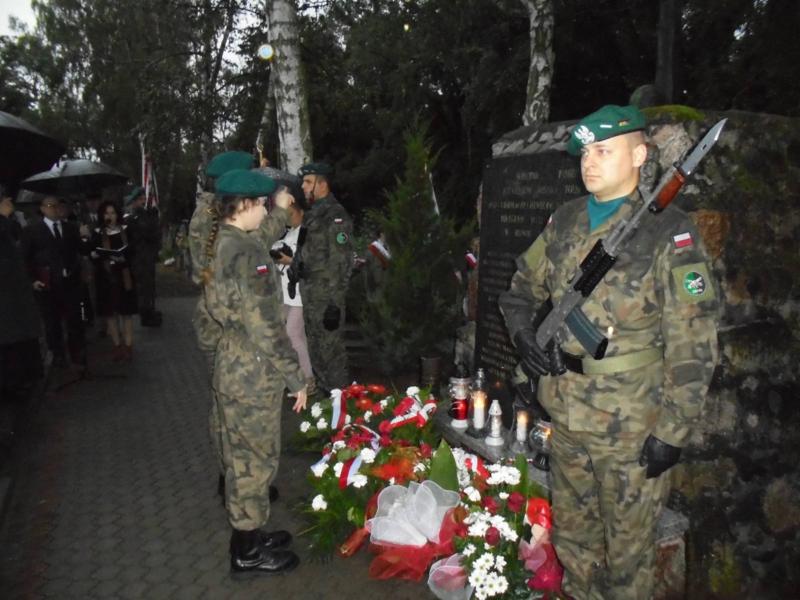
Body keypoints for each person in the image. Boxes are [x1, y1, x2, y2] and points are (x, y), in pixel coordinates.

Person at [498, 105, 719, 600]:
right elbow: (518, 291)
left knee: (628, 558)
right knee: (574, 542)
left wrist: (673, 431)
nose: (589, 162)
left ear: (639, 155)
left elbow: (694, 340)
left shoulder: (670, 232)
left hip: (630, 427)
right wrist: (524, 338)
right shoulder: (565, 220)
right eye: (585, 153)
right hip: (565, 414)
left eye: (604, 151)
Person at [202, 168, 307, 576]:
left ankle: (252, 532)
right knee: (254, 461)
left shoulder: (227, 241)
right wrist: (296, 377)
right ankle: (246, 550)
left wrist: (279, 211)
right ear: (244, 204)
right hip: (253, 370)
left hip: (235, 363)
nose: (267, 209)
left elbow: (259, 239)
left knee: (242, 457)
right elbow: (267, 328)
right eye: (262, 203)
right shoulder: (245, 253)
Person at [294, 162, 353, 393]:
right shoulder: (312, 214)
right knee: (316, 349)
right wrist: (296, 266)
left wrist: (334, 303)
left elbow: (342, 262)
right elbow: (305, 250)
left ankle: (341, 401)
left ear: (322, 184)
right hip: (311, 293)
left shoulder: (335, 216)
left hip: (327, 297)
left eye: (308, 182)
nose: (303, 186)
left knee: (332, 352)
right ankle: (324, 396)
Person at [21, 196, 90, 371]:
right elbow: (25, 258)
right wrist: (33, 280)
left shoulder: (70, 228)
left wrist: (86, 237)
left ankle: (77, 353)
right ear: (43, 209)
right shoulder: (32, 231)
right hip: (48, 284)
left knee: (75, 319)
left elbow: (82, 250)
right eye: (51, 206)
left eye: (58, 206)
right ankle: (58, 354)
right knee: (52, 322)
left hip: (70, 282)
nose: (56, 209)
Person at [0, 186, 42, 408]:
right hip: (6, 299)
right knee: (10, 345)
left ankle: (19, 382)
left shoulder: (9, 224)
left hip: (15, 294)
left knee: (18, 343)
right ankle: (12, 386)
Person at [270, 200, 314, 387]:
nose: (288, 219)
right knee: (295, 336)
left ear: (301, 212)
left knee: (293, 335)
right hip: (284, 292)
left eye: (291, 214)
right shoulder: (287, 232)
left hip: (299, 294)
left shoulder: (307, 234)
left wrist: (287, 260)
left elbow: (308, 264)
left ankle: (308, 379)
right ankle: (296, 376)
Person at [90, 201, 138, 361]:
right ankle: (117, 345)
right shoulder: (97, 233)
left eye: (112, 213)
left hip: (124, 275)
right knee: (110, 313)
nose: (110, 216)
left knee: (126, 312)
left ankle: (128, 345)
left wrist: (124, 257)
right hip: (105, 277)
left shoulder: (126, 230)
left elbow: (133, 250)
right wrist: (95, 254)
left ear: (117, 214)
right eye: (106, 213)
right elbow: (91, 252)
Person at [124, 187, 161, 327]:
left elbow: (155, 235)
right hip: (138, 258)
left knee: (150, 286)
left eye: (144, 199)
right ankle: (145, 314)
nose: (143, 202)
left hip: (148, 257)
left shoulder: (146, 216)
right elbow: (142, 233)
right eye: (140, 200)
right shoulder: (131, 219)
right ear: (134, 202)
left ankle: (150, 310)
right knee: (142, 288)